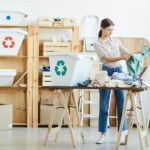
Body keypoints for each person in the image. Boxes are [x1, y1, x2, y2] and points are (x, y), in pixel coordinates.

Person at [94, 18, 131, 144]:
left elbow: (127, 53)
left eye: (112, 30)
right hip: (106, 72)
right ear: (102, 28)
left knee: (121, 103)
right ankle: (103, 133)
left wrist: (133, 55)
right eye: (109, 30)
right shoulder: (97, 44)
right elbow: (107, 59)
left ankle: (122, 133)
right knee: (104, 104)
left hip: (119, 72)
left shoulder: (116, 41)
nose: (111, 32)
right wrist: (122, 57)